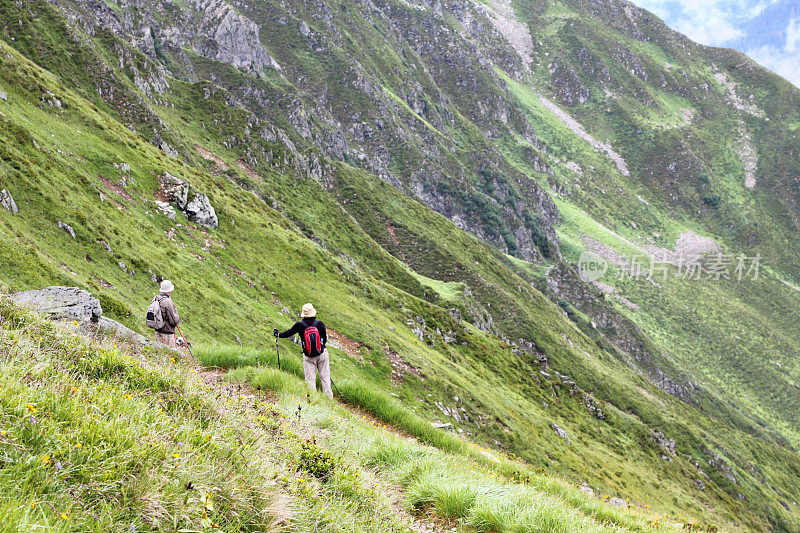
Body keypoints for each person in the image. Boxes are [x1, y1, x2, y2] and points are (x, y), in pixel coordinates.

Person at [274, 303, 332, 397]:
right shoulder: (320, 324)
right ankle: (329, 400)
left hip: (308, 356)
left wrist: (278, 334)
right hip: (322, 354)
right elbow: (324, 340)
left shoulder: (299, 325)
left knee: (310, 379)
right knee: (325, 377)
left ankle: (312, 400)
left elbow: (289, 333)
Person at [154, 279, 180, 348]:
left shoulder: (156, 298)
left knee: (159, 351)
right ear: (169, 291)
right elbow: (174, 321)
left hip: (157, 330)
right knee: (169, 353)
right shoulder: (168, 302)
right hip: (167, 333)